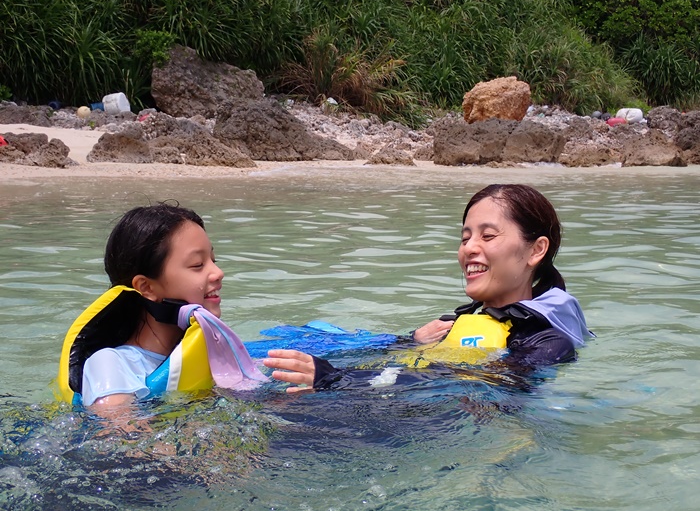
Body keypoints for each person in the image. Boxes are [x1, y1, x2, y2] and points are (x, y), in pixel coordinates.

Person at [263, 184, 593, 392]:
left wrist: (336, 379)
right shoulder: (451, 327)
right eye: (465, 238)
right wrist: (410, 340)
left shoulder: (548, 341)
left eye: (487, 236)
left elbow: (497, 386)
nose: (469, 248)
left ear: (536, 250)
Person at [56, 202, 269, 410]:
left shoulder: (215, 356)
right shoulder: (109, 364)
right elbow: (119, 437)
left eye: (214, 260)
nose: (218, 272)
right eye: (197, 265)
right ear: (146, 287)